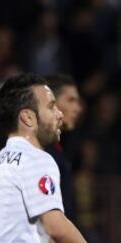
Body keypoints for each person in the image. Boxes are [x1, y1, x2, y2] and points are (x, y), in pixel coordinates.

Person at [0, 74, 86, 242]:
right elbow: (56, 227)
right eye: (51, 107)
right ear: (28, 118)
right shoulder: (36, 159)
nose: (59, 114)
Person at [45, 73, 82, 221]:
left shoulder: (58, 149)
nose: (78, 108)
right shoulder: (41, 154)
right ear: (52, 103)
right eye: (71, 100)